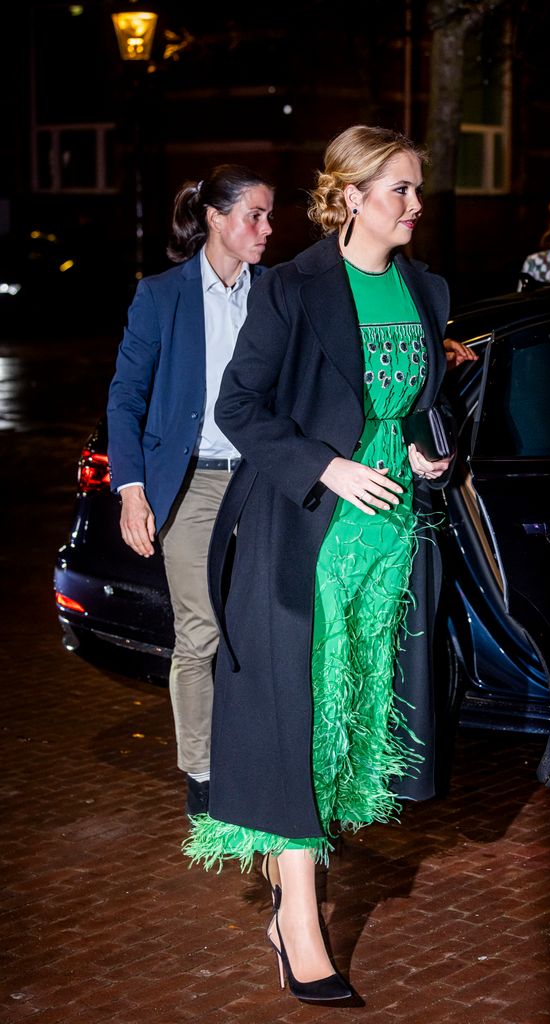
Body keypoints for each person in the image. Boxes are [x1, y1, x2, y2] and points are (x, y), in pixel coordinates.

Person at [184, 125, 455, 1003]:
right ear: (351, 195)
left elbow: (409, 404)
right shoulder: (293, 288)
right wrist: (328, 465)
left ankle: (291, 894)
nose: (416, 205)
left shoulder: (426, 289)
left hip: (387, 544)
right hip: (304, 535)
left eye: (417, 190)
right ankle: (299, 920)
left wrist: (419, 448)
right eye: (401, 190)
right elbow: (239, 405)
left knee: (345, 728)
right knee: (293, 721)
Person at [106, 165, 275, 817]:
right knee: (200, 633)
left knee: (264, 628)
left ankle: (263, 753)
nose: (266, 228)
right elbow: (126, 397)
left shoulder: (276, 294)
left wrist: (437, 344)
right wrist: (131, 488)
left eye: (267, 215)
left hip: (263, 482)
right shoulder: (162, 296)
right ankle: (202, 772)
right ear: (215, 219)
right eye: (253, 215)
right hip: (194, 482)